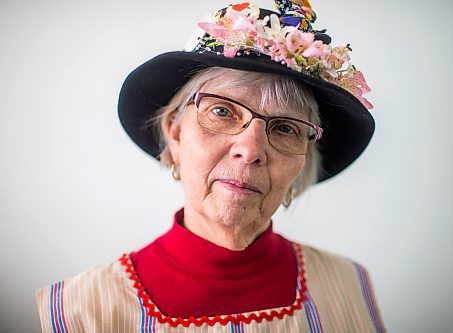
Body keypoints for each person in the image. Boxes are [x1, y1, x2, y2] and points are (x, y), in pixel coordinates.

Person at [37, 1, 385, 332]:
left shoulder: (350, 284)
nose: (250, 151)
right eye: (222, 111)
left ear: (304, 159)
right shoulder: (77, 310)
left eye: (284, 128)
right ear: (175, 133)